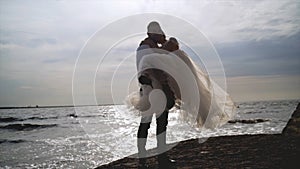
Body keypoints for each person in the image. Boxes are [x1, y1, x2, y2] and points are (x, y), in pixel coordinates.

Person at [136, 21, 176, 168]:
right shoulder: (146, 46)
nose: (162, 34)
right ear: (152, 33)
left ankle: (157, 158)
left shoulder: (150, 46)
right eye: (159, 32)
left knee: (157, 123)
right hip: (152, 89)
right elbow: (148, 68)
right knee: (151, 124)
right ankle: (149, 160)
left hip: (151, 88)